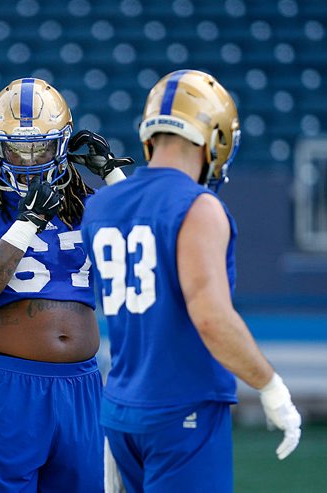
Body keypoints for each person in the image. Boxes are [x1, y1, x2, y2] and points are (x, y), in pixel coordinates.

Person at [80, 69, 302, 492]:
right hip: (182, 409)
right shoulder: (199, 207)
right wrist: (271, 387)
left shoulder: (102, 205)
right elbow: (212, 319)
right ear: (213, 136)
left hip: (121, 408)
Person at [0, 77, 133, 493]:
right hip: (7, 387)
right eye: (16, 148)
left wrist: (115, 179)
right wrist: (26, 225)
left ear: (62, 146)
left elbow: (154, 242)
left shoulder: (89, 205)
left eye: (40, 147)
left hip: (82, 386)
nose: (28, 160)